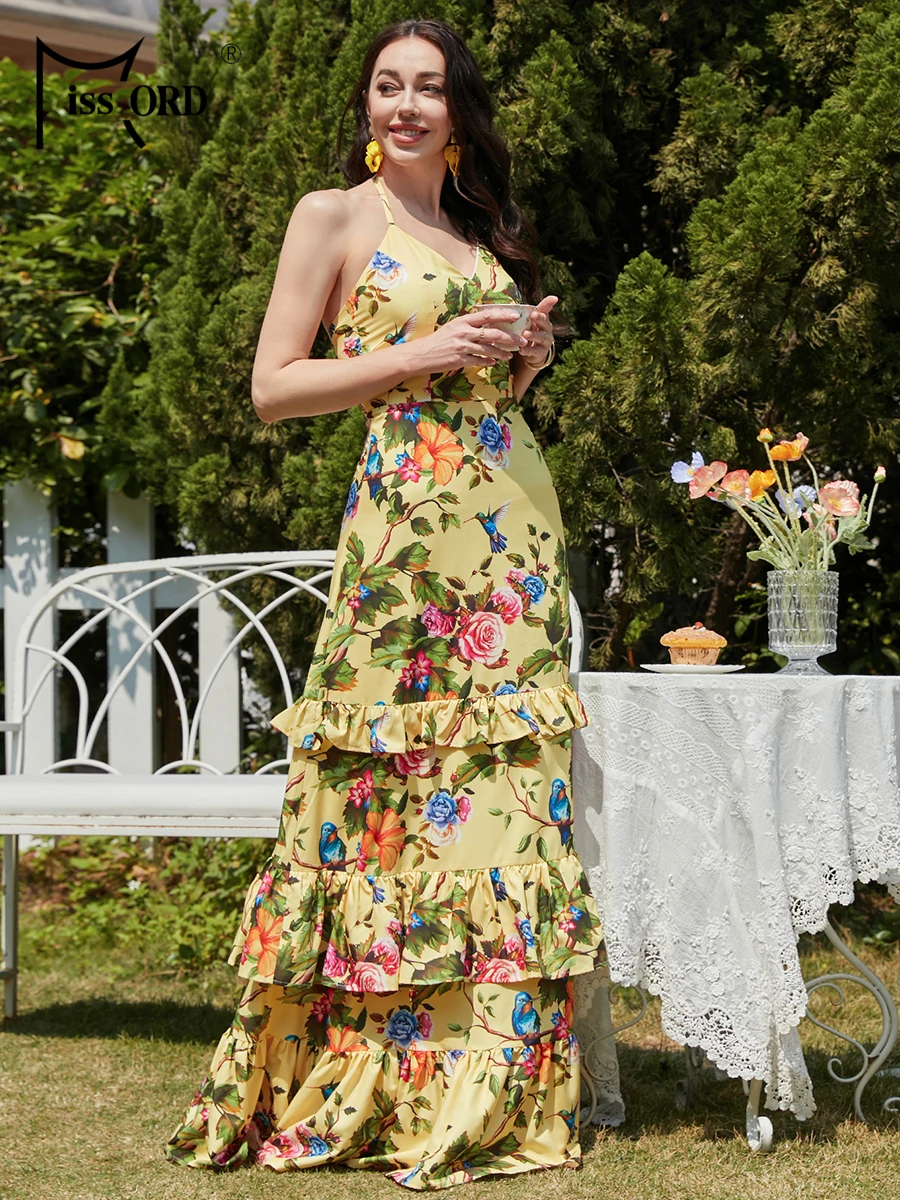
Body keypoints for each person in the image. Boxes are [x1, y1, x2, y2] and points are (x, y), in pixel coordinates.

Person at [165, 16, 605, 1190]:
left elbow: (481, 366)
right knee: (390, 792)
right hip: (406, 538)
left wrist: (522, 358)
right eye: (386, 86)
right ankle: (373, 1074)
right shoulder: (334, 217)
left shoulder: (474, 228)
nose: (405, 105)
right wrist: (425, 353)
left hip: (506, 524)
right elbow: (274, 387)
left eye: (428, 87)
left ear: (458, 107)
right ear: (365, 104)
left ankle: (492, 1083)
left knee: (505, 795)